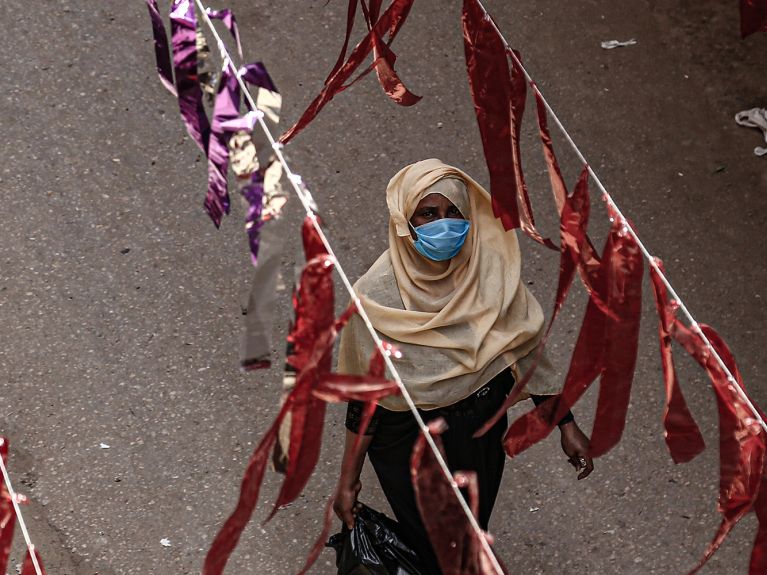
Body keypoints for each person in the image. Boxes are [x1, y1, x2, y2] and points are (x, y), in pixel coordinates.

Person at [333, 159, 593, 574]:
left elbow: (522, 345)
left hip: (480, 432)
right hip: (411, 445)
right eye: (429, 214)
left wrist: (565, 422)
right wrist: (348, 479)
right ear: (406, 222)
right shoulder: (377, 297)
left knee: (469, 531)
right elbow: (367, 404)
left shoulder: (488, 274)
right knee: (447, 547)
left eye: (454, 212)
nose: (445, 224)